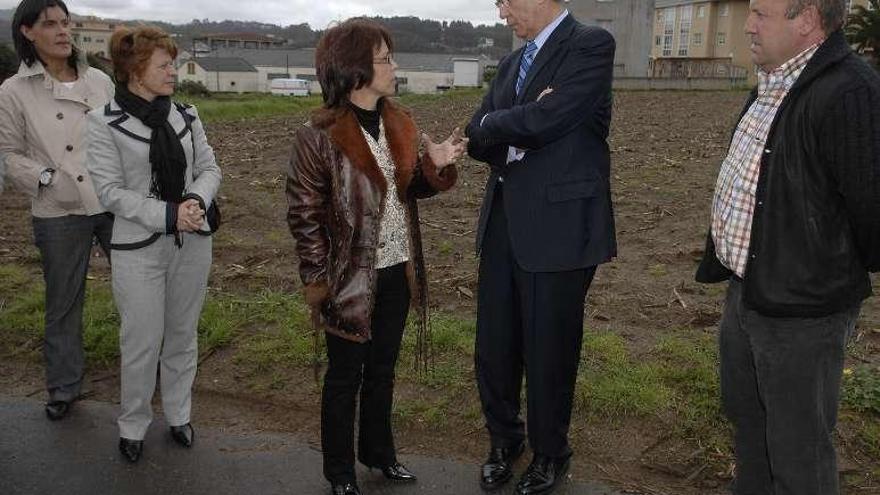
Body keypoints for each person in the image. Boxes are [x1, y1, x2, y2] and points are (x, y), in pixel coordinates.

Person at [695, 1, 880, 494]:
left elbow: (872, 209)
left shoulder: (849, 92)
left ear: (808, 19)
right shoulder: (775, 83)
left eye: (761, 14)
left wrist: (817, 273)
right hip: (748, 294)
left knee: (798, 452)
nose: (748, 25)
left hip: (802, 313)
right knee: (751, 430)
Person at [285, 18, 465, 495]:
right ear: (356, 68)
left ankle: (380, 454)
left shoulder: (399, 121)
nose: (394, 65)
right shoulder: (319, 135)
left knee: (383, 370)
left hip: (395, 270)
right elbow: (304, 216)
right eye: (385, 58)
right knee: (345, 377)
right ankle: (340, 472)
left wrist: (436, 167)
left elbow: (410, 189)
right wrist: (318, 281)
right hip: (347, 279)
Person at [464, 1, 617, 494]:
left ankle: (551, 452)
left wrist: (498, 123)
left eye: (506, 1)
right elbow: (476, 136)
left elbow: (550, 118)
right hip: (504, 225)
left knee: (550, 348)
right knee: (496, 344)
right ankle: (504, 440)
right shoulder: (510, 64)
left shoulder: (590, 45)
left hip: (561, 228)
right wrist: (507, 122)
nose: (502, 12)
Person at [86, 26, 221, 464]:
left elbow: (209, 168)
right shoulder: (102, 122)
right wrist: (167, 214)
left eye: (173, 63)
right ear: (134, 70)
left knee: (182, 335)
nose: (173, 72)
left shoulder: (187, 114)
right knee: (142, 340)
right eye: (164, 65)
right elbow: (109, 192)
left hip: (192, 240)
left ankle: (179, 414)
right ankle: (133, 424)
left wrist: (196, 200)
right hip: (138, 247)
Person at [0, 0, 114, 421]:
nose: (63, 31)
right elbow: (9, 154)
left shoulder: (100, 81)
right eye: (51, 24)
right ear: (28, 32)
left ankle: (149, 371)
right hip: (59, 208)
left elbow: (123, 135)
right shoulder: (13, 91)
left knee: (139, 291)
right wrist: (48, 179)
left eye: (66, 23)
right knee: (63, 300)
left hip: (111, 201)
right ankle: (64, 386)